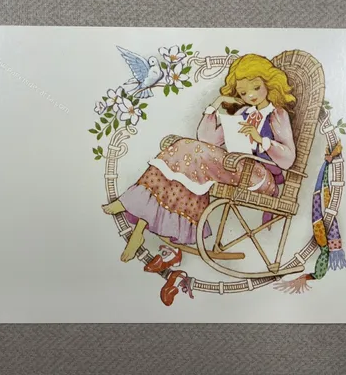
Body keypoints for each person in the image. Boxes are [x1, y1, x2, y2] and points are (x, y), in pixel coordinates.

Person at [102, 54, 297, 305]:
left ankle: (131, 205)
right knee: (188, 167)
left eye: (256, 88)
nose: (250, 96)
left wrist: (262, 140)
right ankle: (141, 228)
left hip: (260, 176)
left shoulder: (277, 115)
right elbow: (207, 139)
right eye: (243, 92)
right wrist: (214, 106)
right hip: (236, 167)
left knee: (188, 151)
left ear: (269, 83)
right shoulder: (243, 112)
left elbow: (288, 159)